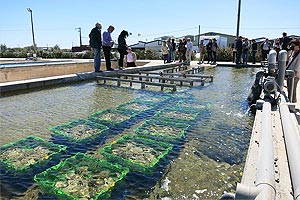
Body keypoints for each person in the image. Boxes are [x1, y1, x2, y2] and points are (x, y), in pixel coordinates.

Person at [286, 39, 300, 103]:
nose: (292, 47)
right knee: (289, 88)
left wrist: (295, 73)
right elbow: (288, 61)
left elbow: (297, 65)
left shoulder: (299, 54)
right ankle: (290, 100)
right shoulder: (292, 52)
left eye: (293, 46)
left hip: (294, 75)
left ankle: (293, 102)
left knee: (293, 89)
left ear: (297, 46)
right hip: (290, 73)